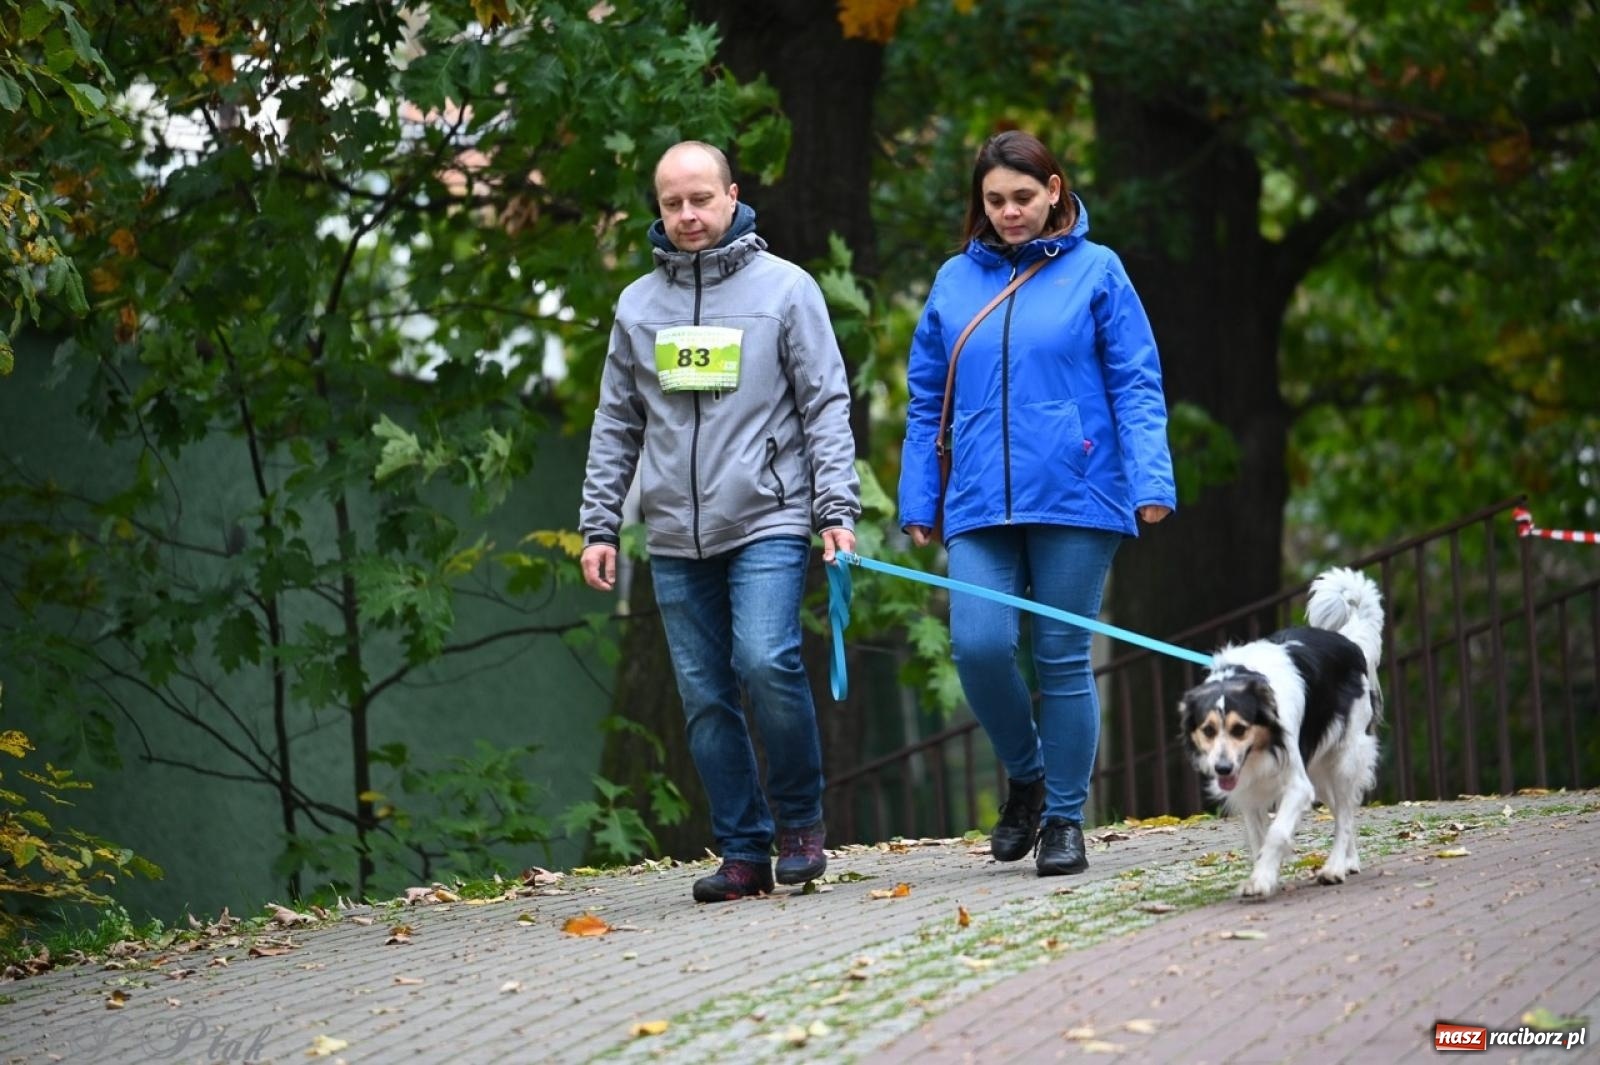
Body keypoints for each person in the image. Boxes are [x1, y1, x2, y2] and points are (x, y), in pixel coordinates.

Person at [578, 141, 861, 903]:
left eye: (701, 198)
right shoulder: (637, 305)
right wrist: (599, 524)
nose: (688, 215)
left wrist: (835, 509)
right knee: (704, 697)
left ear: (732, 196)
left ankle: (799, 825)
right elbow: (616, 422)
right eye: (672, 203)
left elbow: (825, 403)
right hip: (674, 532)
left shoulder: (787, 289)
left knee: (766, 660)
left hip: (768, 514)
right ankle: (742, 850)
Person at [897, 130, 1175, 877]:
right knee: (979, 646)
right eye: (994, 200)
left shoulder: (1098, 270)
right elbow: (926, 399)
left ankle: (1063, 819)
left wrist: (1151, 481)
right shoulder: (954, 280)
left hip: (1077, 491)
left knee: (1061, 656)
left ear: (1054, 190)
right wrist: (920, 497)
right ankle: (1027, 774)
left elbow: (1136, 382)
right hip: (978, 498)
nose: (1009, 212)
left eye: (1023, 197)